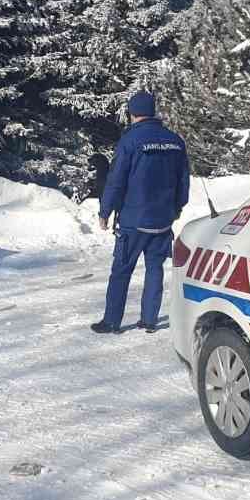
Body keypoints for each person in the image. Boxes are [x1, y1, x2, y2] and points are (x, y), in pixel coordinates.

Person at [91, 90, 190, 335]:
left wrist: (105, 210)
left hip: (134, 220)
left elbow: (116, 180)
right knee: (155, 269)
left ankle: (112, 321)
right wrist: (176, 207)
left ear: (132, 112)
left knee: (122, 270)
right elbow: (183, 180)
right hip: (163, 219)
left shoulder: (130, 141)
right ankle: (149, 320)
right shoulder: (175, 141)